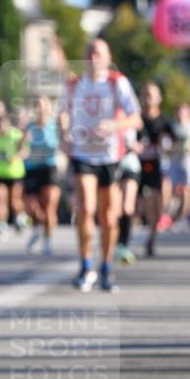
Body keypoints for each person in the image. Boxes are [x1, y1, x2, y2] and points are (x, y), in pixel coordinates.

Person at [62, 38, 141, 292]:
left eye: (99, 54)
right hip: (83, 154)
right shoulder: (74, 84)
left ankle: (106, 266)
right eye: (89, 53)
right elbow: (61, 114)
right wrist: (64, 134)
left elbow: (136, 119)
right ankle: (86, 265)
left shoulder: (117, 82)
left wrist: (114, 125)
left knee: (108, 217)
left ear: (107, 58)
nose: (94, 58)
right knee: (86, 208)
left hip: (110, 156)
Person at [135, 82, 174, 258]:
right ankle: (125, 238)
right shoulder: (135, 120)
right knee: (132, 205)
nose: (148, 98)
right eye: (145, 94)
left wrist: (168, 148)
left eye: (152, 95)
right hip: (135, 166)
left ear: (159, 98)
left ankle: (151, 238)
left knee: (156, 203)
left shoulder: (164, 122)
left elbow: (175, 144)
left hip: (155, 166)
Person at [24, 96, 60, 256]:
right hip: (33, 167)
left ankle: (48, 240)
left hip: (49, 167)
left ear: (48, 107)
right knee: (33, 207)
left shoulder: (54, 125)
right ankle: (37, 227)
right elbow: (22, 148)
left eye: (42, 105)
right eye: (36, 105)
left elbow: (60, 144)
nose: (39, 109)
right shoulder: (29, 127)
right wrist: (22, 144)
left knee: (49, 204)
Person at [0, 111, 27, 239]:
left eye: (3, 124)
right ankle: (2, 226)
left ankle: (20, 216)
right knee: (1, 198)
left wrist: (16, 157)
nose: (1, 128)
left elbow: (24, 150)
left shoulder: (16, 134)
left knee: (14, 201)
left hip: (15, 173)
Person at [114, 130, 141, 264]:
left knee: (127, 207)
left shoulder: (134, 122)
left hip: (131, 167)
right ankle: (118, 244)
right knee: (115, 209)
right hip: (113, 167)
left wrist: (133, 146)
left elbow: (142, 146)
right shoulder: (108, 119)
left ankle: (125, 244)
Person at [169, 102, 190, 225]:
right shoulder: (172, 126)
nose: (180, 113)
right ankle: (175, 216)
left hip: (188, 161)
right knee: (174, 190)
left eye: (183, 110)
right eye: (178, 111)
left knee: (187, 189)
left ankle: (185, 216)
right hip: (175, 160)